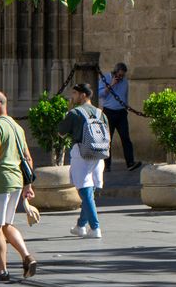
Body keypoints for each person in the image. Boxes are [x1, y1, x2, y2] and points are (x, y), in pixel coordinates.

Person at [0, 91, 37, 282]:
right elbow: (27, 158)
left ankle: (1, 271)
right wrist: (28, 185)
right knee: (6, 225)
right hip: (16, 181)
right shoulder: (16, 126)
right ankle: (27, 257)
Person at [56, 84, 106, 239]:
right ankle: (81, 226)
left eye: (74, 93)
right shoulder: (100, 113)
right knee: (89, 192)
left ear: (83, 95)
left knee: (85, 191)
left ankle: (95, 227)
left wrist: (68, 111)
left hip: (81, 154)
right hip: (98, 154)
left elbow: (61, 132)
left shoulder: (75, 113)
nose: (72, 96)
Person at [97, 62, 142, 172]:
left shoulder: (125, 82)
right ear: (115, 72)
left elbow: (124, 96)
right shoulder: (105, 78)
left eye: (123, 75)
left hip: (121, 112)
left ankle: (130, 163)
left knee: (125, 138)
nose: (121, 77)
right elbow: (100, 94)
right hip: (109, 112)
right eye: (119, 75)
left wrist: (126, 107)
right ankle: (106, 165)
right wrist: (111, 84)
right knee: (107, 139)